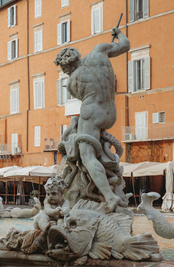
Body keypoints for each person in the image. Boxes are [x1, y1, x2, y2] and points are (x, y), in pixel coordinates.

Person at [54, 26, 130, 212]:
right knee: (92, 145)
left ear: (67, 66)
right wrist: (118, 34)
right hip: (110, 112)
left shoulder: (71, 82)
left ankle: (109, 196)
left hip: (91, 113)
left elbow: (82, 95)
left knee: (87, 156)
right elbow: (125, 45)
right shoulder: (100, 51)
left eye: (64, 69)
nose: (64, 72)